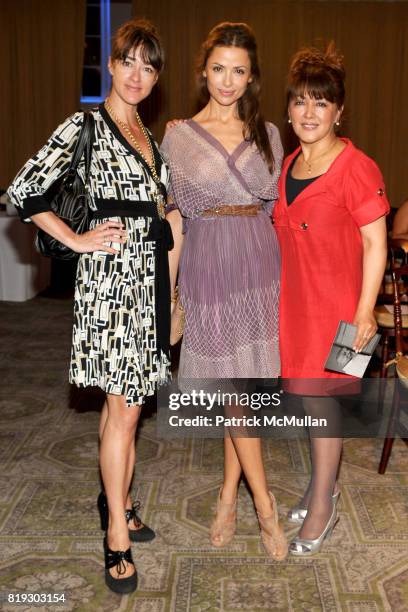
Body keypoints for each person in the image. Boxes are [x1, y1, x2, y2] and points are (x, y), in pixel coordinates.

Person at [7, 19, 173, 593]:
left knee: (122, 409)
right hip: (110, 291)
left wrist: (173, 291)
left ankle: (118, 501)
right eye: (129, 61)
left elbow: (162, 213)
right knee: (125, 410)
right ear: (110, 63)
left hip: (147, 286)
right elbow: (24, 188)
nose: (137, 75)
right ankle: (116, 537)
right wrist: (77, 240)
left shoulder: (148, 138)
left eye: (149, 67)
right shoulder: (85, 125)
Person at [161, 22, 287, 560]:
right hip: (208, 266)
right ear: (203, 71)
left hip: (258, 265)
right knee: (235, 396)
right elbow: (174, 219)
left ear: (252, 76)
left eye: (239, 71)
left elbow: (272, 210)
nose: (227, 81)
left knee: (246, 394)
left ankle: (228, 495)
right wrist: (169, 294)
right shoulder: (177, 134)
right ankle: (264, 505)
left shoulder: (270, 135)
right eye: (218, 69)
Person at [273, 44, 389, 555]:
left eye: (321, 103)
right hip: (300, 308)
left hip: (346, 311)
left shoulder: (357, 167)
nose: (309, 113)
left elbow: (376, 242)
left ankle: (323, 504)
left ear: (339, 111)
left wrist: (365, 313)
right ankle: (326, 483)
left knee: (326, 407)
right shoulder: (289, 163)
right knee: (310, 403)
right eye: (300, 102)